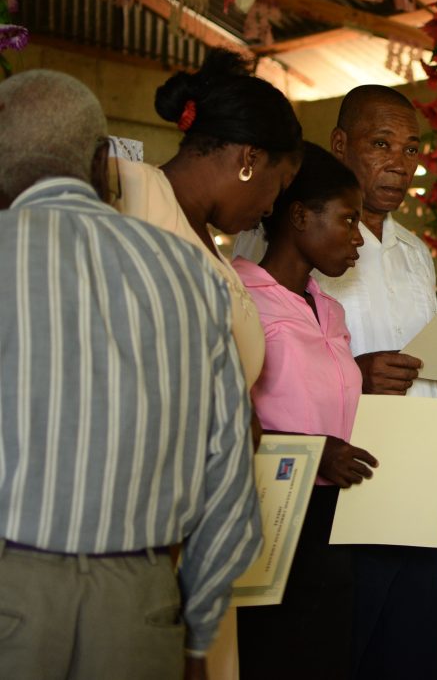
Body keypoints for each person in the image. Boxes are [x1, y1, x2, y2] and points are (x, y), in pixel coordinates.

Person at [234, 85, 437, 679]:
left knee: (408, 653)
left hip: (418, 484)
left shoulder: (415, 252)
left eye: (411, 149)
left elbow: (425, 371)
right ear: (339, 144)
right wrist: (357, 373)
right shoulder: (273, 242)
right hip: (335, 487)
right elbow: (264, 376)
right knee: (331, 647)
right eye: (381, 144)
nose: (399, 163)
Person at [0, 70, 261, 680]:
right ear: (102, 163)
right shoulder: (187, 272)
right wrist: (196, 639)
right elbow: (229, 483)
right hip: (142, 607)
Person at [232, 144, 373, 679]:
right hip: (272, 511)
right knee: (272, 656)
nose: (359, 237)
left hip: (338, 519)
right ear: (299, 216)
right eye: (348, 219)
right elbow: (220, 423)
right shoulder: (241, 298)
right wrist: (313, 452)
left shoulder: (330, 309)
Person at [114, 49, 303, 391]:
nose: (270, 208)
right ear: (250, 158)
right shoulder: (129, 189)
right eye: (279, 186)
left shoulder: (213, 253)